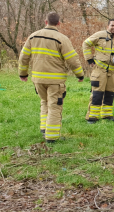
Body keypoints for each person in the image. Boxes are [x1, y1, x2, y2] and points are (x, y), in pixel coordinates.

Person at [18, 12, 85, 143]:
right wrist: (80, 75)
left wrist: (23, 73)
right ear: (59, 23)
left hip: (38, 79)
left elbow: (24, 57)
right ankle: (52, 137)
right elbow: (72, 59)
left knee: (44, 102)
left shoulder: (33, 36)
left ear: (45, 21)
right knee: (54, 106)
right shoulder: (62, 38)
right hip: (55, 80)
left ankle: (44, 129)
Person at [83, 19, 114, 123]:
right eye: (112, 25)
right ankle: (92, 117)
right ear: (108, 26)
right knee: (97, 94)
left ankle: (107, 115)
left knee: (110, 94)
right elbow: (86, 44)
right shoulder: (100, 35)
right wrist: (89, 59)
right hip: (100, 70)